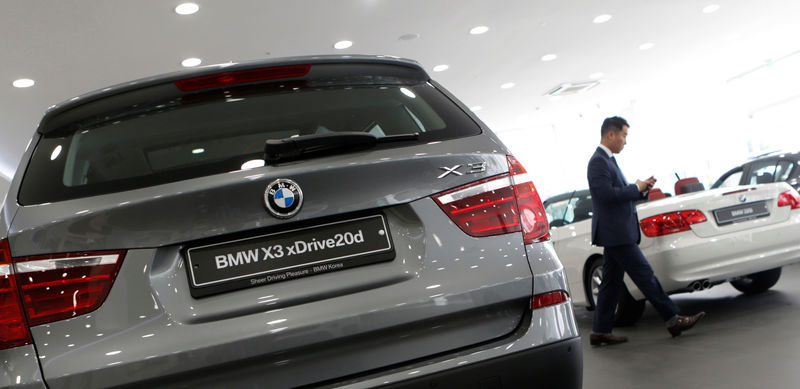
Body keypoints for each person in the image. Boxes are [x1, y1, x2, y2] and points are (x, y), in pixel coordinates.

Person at [587, 116, 705, 346]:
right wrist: (635, 188)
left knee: (611, 284)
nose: (625, 141)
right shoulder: (598, 162)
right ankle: (673, 319)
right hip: (617, 233)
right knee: (645, 276)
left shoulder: (607, 160)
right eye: (624, 135)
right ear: (611, 134)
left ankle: (600, 331)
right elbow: (606, 195)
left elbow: (615, 192)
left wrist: (640, 189)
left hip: (617, 232)